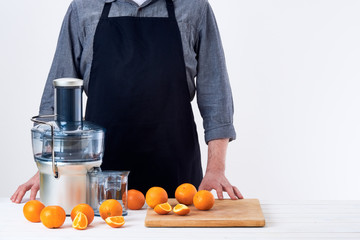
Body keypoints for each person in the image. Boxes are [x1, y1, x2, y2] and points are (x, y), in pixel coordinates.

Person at [11, 0, 243, 203]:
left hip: (177, 178)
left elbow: (216, 95)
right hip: (99, 181)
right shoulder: (83, 8)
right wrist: (47, 169)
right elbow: (58, 96)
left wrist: (216, 169)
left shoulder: (195, 8)